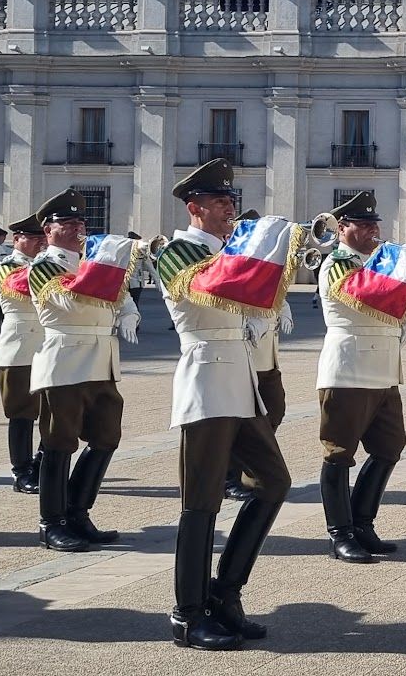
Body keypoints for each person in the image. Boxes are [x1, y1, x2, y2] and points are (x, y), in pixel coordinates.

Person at [152, 159, 292, 650]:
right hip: (207, 383)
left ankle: (224, 593)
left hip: (241, 382)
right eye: (219, 201)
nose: (230, 207)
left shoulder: (230, 251)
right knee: (201, 502)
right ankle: (187, 614)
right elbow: (217, 285)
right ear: (194, 208)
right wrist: (262, 248)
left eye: (231, 200)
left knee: (274, 483)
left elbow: (251, 297)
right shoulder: (177, 252)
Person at [27, 189, 142, 552]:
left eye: (81, 222)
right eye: (68, 222)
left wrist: (129, 313)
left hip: (101, 362)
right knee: (58, 444)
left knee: (107, 437)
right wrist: (103, 269)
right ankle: (52, 522)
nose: (77, 227)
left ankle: (77, 512)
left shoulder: (94, 266)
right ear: (48, 230)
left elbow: (120, 296)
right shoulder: (44, 265)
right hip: (65, 362)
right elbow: (69, 299)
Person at [315, 192, 406, 564]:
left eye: (375, 224)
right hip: (349, 370)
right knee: (339, 453)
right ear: (343, 228)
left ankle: (362, 522)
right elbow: (367, 295)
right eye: (364, 224)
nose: (373, 230)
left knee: (390, 447)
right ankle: (340, 532)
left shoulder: (375, 263)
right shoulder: (338, 263)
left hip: (383, 371)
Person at [225, 209, 293, 503]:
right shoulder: (233, 260)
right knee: (239, 423)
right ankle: (229, 477)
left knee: (274, 411)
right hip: (245, 357)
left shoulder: (261, 262)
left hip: (267, 357)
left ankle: (247, 470)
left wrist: (283, 307)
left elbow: (273, 291)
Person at [0, 213, 48, 494]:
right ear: (18, 239)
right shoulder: (7, 266)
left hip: (48, 349)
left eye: (44, 237)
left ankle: (41, 465)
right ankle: (21, 471)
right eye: (34, 237)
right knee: (22, 414)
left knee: (53, 412)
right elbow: (24, 288)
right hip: (19, 350)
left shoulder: (51, 266)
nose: (41, 242)